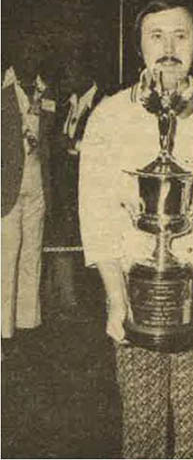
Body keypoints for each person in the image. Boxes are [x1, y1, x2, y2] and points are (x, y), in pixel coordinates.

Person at [78, 0, 193, 458]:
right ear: (139, 45)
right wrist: (115, 300)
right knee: (142, 419)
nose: (169, 47)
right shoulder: (110, 114)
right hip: (134, 280)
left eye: (181, 35)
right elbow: (95, 215)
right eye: (156, 35)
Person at [2, 43, 56, 352]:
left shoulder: (45, 94)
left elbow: (46, 143)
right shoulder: (2, 92)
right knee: (6, 257)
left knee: (32, 254)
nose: (30, 58)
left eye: (36, 54)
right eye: (25, 52)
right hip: (6, 188)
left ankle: (27, 323)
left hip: (37, 185)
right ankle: (3, 330)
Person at [44, 58, 103, 319]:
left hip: (88, 186)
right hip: (63, 185)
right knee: (62, 238)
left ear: (85, 72)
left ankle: (85, 300)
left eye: (70, 73)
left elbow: (101, 147)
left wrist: (72, 144)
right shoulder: (67, 102)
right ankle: (65, 298)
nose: (66, 80)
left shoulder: (104, 103)